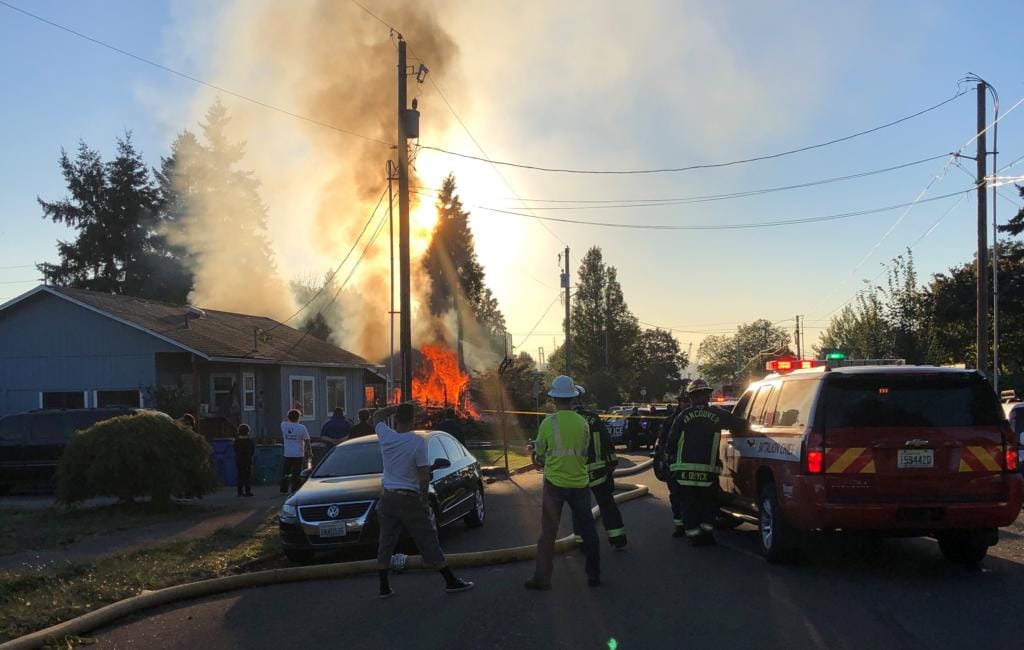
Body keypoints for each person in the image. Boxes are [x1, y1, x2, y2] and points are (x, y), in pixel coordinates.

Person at [373, 402, 474, 598]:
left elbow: (377, 415)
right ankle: (450, 580)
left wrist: (394, 408)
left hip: (387, 498)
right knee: (428, 539)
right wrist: (423, 500)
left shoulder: (386, 437)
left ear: (396, 420)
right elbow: (423, 476)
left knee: (385, 541)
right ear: (412, 420)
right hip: (408, 498)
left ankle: (383, 586)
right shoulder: (417, 442)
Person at [525, 375, 600, 590]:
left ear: (554, 399)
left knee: (548, 533)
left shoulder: (549, 423)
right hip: (580, 483)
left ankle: (542, 578)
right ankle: (593, 574)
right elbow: (585, 451)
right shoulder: (583, 423)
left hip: (555, 484)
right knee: (588, 530)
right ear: (573, 398)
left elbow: (540, 452)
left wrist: (536, 451)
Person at [663, 379, 748, 546]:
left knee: (689, 504)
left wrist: (668, 461)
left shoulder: (682, 416)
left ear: (691, 397)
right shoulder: (717, 414)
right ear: (707, 396)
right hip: (708, 471)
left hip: (684, 471)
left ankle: (693, 535)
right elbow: (740, 425)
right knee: (707, 503)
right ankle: (707, 535)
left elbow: (671, 442)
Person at [573, 394, 627, 550]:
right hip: (598, 471)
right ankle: (617, 537)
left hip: (577, 473)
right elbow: (606, 442)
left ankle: (582, 541)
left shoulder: (565, 421)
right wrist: (611, 464)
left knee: (579, 509)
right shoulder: (594, 419)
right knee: (607, 504)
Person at [654, 389, 690, 534]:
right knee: (676, 496)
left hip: (692, 464)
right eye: (684, 401)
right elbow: (662, 442)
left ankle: (692, 524)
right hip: (674, 465)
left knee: (692, 497)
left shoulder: (698, 420)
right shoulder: (670, 421)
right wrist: (663, 461)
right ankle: (680, 525)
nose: (687, 404)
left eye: (689, 401)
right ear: (679, 402)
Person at [280, 409, 311, 494]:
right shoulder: (302, 428)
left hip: (287, 453)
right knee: (296, 473)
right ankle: (295, 489)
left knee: (286, 472)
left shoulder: (284, 425)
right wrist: (309, 452)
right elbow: (307, 441)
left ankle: (284, 489)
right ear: (298, 418)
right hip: (298, 453)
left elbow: (284, 420)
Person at [234, 424, 255, 497]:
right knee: (247, 477)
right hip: (247, 460)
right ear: (247, 432)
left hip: (239, 460)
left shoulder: (236, 441)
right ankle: (247, 491)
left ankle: (240, 492)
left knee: (240, 476)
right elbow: (252, 451)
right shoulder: (249, 441)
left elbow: (235, 450)